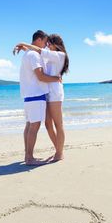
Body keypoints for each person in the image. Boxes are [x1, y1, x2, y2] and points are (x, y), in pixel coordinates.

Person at [14, 34, 69, 162]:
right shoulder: (48, 56)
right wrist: (25, 49)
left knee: (58, 124)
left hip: (55, 92)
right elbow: (36, 56)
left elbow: (38, 51)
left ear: (56, 44)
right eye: (47, 43)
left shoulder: (60, 55)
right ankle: (58, 150)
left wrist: (23, 43)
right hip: (46, 92)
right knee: (48, 124)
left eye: (49, 43)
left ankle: (59, 153)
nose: (47, 46)